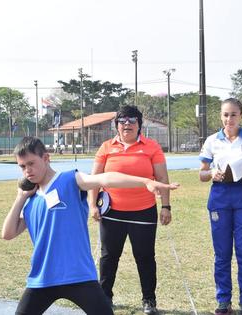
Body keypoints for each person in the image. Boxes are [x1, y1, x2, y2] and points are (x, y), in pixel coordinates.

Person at [2, 136, 178, 315]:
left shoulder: (70, 180)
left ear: (46, 158)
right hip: (43, 279)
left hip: (79, 276)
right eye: (22, 166)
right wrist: (20, 198)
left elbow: (105, 178)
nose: (27, 171)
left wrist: (145, 181)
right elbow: (7, 233)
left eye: (31, 163)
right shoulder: (31, 200)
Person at [88, 105, 173, 315]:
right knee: (109, 257)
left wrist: (165, 206)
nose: (127, 124)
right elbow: (94, 180)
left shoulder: (151, 147)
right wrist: (92, 205)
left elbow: (162, 179)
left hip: (143, 211)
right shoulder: (106, 147)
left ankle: (149, 300)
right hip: (112, 211)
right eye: (122, 120)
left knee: (145, 257)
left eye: (132, 120)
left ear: (139, 124)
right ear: (116, 125)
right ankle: (105, 297)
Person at [198, 98, 242, 315]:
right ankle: (223, 300)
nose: (229, 119)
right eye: (226, 115)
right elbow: (201, 174)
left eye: (234, 114)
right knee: (222, 253)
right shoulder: (212, 141)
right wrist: (211, 173)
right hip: (220, 196)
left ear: (241, 115)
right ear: (221, 116)